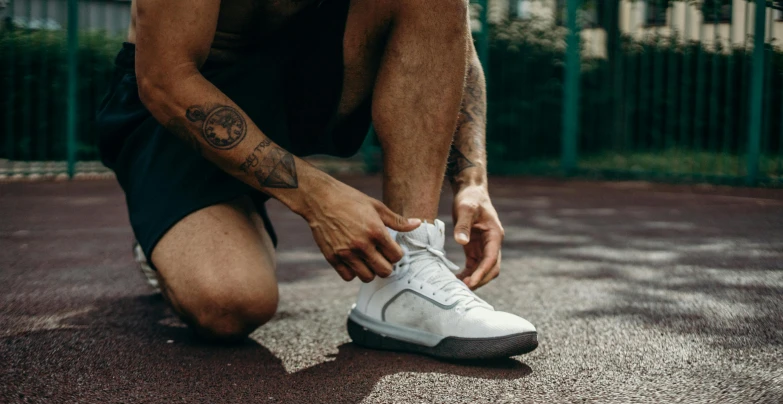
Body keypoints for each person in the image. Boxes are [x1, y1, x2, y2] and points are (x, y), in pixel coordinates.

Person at [96, 0, 537, 360]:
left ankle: (408, 269)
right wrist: (317, 196)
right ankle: (170, 236)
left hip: (299, 78)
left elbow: (451, 29)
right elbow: (165, 80)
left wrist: (471, 180)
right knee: (229, 305)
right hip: (182, 102)